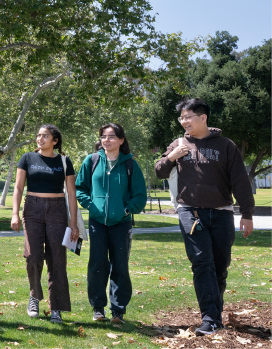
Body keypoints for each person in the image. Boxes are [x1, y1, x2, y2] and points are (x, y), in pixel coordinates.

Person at [155, 98, 254, 336]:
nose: (184, 122)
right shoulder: (178, 143)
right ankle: (210, 318)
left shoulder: (226, 145)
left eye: (188, 117)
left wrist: (247, 213)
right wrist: (172, 157)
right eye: (181, 118)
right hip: (191, 212)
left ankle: (214, 314)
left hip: (221, 213)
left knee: (220, 267)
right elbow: (159, 171)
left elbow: (239, 181)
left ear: (203, 117)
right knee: (201, 263)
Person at [75, 123, 147, 324]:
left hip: (122, 223)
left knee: (120, 266)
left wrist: (126, 209)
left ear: (121, 140)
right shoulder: (92, 161)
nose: (107, 140)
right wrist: (91, 205)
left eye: (112, 136)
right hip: (97, 222)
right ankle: (98, 309)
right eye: (103, 136)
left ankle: (118, 311)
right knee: (97, 264)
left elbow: (140, 196)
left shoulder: (130, 164)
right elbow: (80, 188)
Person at [11, 124, 79, 324]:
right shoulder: (27, 158)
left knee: (57, 258)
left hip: (57, 210)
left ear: (55, 141)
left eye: (45, 136)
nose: (39, 139)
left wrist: (73, 223)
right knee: (33, 256)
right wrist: (15, 214)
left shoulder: (64, 162)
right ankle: (34, 296)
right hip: (32, 208)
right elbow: (18, 187)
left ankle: (56, 306)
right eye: (38, 135)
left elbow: (72, 193)